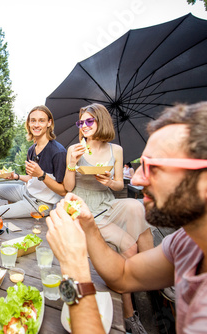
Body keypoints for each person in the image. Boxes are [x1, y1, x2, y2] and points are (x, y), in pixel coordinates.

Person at [46, 100, 207, 333]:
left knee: (133, 208)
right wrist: (88, 227)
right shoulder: (186, 244)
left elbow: (117, 183)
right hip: (89, 207)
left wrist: (75, 271)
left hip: (104, 206)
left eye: (152, 167)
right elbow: (123, 275)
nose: (136, 180)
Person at [63, 103, 153, 332]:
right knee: (129, 248)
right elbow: (67, 188)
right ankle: (129, 312)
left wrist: (108, 181)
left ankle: (150, 270)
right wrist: (71, 164)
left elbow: (117, 186)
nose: (83, 126)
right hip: (83, 205)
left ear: (100, 121)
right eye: (81, 122)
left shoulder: (116, 150)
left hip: (106, 201)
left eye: (88, 121)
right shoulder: (74, 149)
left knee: (137, 206)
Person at [0, 105, 67, 218]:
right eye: (33, 120)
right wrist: (16, 176)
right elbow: (31, 179)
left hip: (40, 203)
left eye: (41, 121)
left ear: (49, 123)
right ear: (28, 123)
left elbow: (63, 191)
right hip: (25, 191)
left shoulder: (58, 152)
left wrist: (41, 175)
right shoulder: (32, 149)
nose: (36, 125)